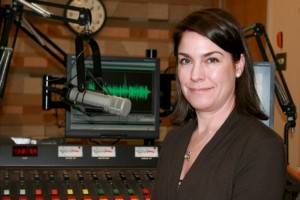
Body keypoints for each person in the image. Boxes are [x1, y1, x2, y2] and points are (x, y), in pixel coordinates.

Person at [152, 8, 287, 200]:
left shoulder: (262, 147)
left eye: (211, 60)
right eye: (186, 60)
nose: (195, 75)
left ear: (238, 65)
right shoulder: (174, 140)